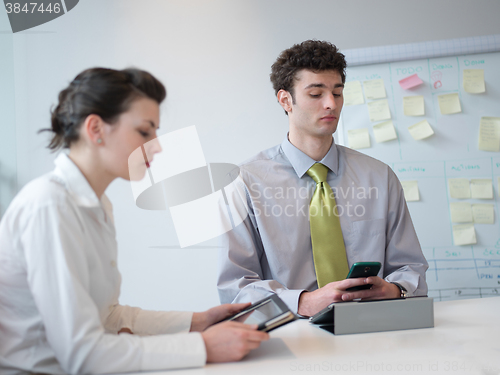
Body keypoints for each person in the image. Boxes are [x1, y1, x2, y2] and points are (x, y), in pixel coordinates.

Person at [0, 67, 269, 375]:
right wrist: (204, 347)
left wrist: (197, 321)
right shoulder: (49, 205)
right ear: (96, 129)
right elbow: (83, 354)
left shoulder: (96, 204)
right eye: (145, 131)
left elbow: (108, 317)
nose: (157, 145)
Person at [217, 40, 429, 317]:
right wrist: (303, 302)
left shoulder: (379, 177)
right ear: (285, 100)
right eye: (316, 94)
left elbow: (411, 267)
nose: (331, 104)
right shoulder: (244, 182)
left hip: (375, 328)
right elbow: (235, 286)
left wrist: (394, 289)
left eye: (337, 93)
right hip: (290, 335)